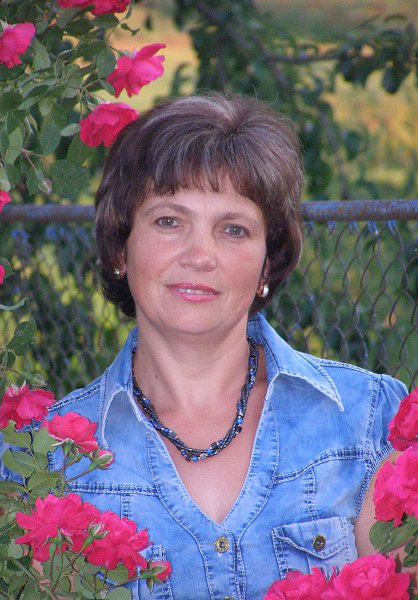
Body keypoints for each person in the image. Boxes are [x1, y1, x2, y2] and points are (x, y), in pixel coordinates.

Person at [49, 93, 407, 599]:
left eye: (233, 229)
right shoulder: (46, 460)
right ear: (120, 247)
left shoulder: (372, 420)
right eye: (169, 221)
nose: (200, 255)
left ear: (266, 264)